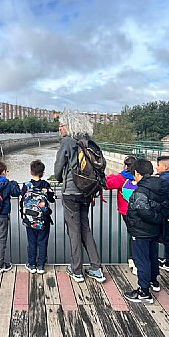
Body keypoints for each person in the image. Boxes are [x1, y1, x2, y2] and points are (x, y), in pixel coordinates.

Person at [53, 112, 105, 283]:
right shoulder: (90, 142)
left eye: (62, 125)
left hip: (71, 192)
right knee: (85, 229)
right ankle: (96, 268)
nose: (60, 128)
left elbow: (57, 169)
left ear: (69, 126)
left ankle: (76, 270)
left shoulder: (67, 141)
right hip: (87, 191)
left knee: (74, 232)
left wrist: (61, 179)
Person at [123, 159, 169, 304]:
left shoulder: (141, 191)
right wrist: (159, 219)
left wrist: (155, 218)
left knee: (141, 260)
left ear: (137, 173)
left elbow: (144, 211)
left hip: (141, 231)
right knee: (152, 256)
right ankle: (153, 281)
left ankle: (144, 292)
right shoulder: (160, 186)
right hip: (154, 230)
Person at [22, 159, 56, 274]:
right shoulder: (46, 185)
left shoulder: (26, 185)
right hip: (43, 219)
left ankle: (32, 265)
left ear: (31, 171)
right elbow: (52, 199)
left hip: (30, 219)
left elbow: (22, 198)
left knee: (31, 242)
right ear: (43, 172)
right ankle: (41, 265)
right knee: (42, 242)